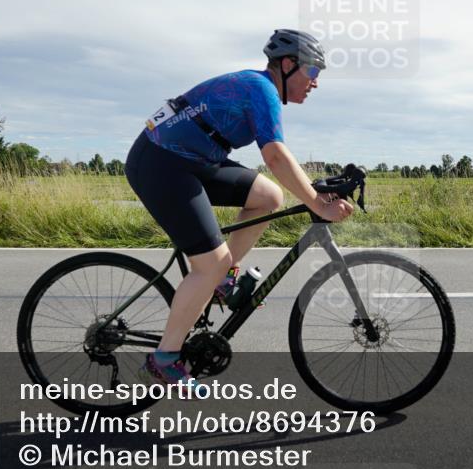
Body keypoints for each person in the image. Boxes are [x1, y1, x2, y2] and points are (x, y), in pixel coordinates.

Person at [124, 29, 354, 390]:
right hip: (160, 163)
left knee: (268, 197)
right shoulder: (262, 89)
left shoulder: (262, 89)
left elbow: (278, 164)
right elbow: (275, 155)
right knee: (209, 264)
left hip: (194, 161)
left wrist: (315, 192)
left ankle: (219, 279)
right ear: (289, 65)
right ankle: (164, 360)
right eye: (313, 73)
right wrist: (315, 203)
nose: (315, 83)